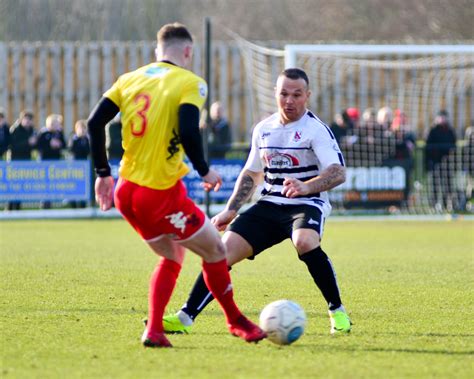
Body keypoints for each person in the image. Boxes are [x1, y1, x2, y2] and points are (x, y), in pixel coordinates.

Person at [87, 22, 266, 348]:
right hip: (160, 194)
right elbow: (188, 128)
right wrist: (204, 170)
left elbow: (94, 122)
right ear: (187, 51)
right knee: (216, 251)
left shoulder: (129, 79)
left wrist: (102, 172)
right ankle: (235, 321)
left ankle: (154, 330)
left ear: (158, 50)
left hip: (126, 192)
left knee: (172, 255)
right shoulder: (190, 82)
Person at [163, 68, 352, 336]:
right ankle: (185, 317)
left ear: (307, 96)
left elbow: (338, 172)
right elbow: (252, 173)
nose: (289, 100)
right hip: (269, 205)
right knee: (220, 252)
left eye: (297, 94)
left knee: (305, 242)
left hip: (307, 203)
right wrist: (231, 209)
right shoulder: (263, 129)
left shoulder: (316, 130)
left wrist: (305, 187)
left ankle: (337, 311)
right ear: (275, 94)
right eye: (284, 93)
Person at [425, 110, 457, 211]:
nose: (443, 119)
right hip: (435, 162)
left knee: (447, 184)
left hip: (447, 162)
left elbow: (453, 146)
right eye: (441, 117)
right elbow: (428, 147)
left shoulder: (450, 131)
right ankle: (433, 205)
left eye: (444, 117)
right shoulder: (432, 131)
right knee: (435, 184)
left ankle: (445, 204)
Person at [7, 110, 37, 210]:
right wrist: (28, 142)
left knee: (21, 186)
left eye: (30, 120)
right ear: (21, 119)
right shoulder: (15, 129)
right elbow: (13, 146)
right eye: (26, 119)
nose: (28, 122)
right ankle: (10, 208)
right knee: (13, 186)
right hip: (15, 161)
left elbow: (34, 146)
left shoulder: (32, 130)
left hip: (26, 161)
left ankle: (18, 208)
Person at [36, 114, 66, 209]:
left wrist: (59, 145)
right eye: (54, 123)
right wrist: (50, 145)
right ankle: (44, 203)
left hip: (56, 162)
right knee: (45, 183)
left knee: (54, 183)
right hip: (45, 162)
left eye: (57, 123)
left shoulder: (59, 133)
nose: (56, 125)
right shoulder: (43, 134)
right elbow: (39, 147)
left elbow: (64, 145)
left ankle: (54, 202)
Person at [69, 119, 91, 208]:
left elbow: (89, 151)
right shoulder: (74, 140)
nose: (82, 131)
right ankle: (73, 204)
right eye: (80, 128)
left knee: (84, 185)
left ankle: (83, 204)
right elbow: (71, 150)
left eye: (84, 129)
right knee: (74, 184)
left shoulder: (87, 140)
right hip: (75, 165)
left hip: (85, 165)